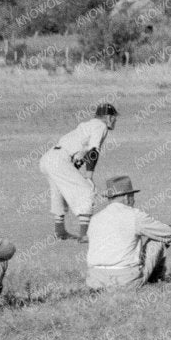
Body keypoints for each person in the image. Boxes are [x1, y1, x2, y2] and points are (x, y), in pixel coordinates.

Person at [39, 102, 118, 240]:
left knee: (59, 191)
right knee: (87, 190)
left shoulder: (85, 126)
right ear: (108, 117)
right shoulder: (101, 126)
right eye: (113, 116)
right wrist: (89, 176)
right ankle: (84, 235)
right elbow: (93, 151)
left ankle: (60, 231)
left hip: (48, 158)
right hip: (60, 160)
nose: (115, 119)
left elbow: (81, 154)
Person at [84, 175, 171, 290]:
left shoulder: (95, 219)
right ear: (127, 197)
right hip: (126, 280)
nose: (134, 200)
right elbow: (167, 232)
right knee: (158, 240)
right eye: (132, 196)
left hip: (95, 280)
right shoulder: (134, 215)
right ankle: (156, 280)